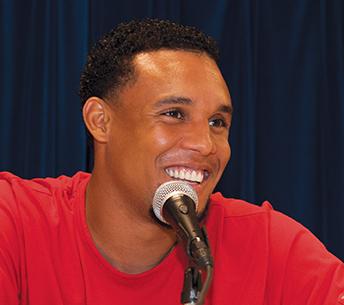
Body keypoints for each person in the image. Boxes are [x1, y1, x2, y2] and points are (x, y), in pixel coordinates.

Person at [0, 19, 343, 305]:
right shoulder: (14, 221)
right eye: (174, 114)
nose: (205, 144)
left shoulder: (272, 246)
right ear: (101, 121)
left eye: (217, 122)